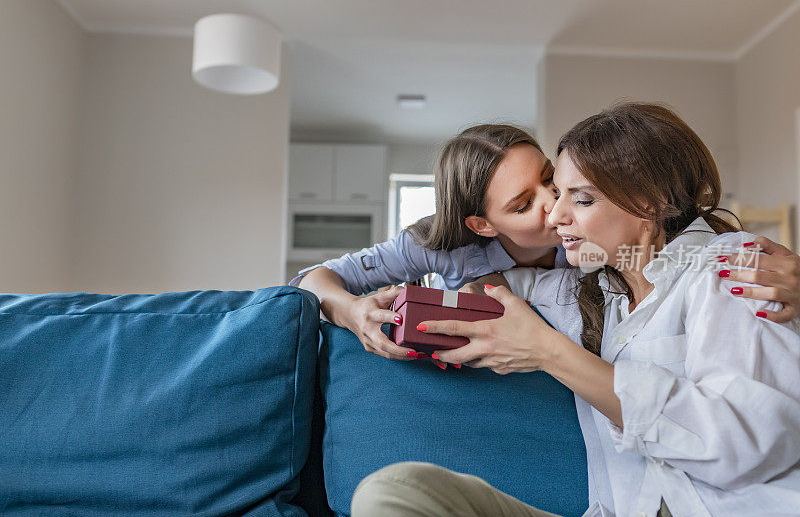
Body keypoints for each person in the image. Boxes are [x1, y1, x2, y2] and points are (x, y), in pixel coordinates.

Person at [350, 103, 800, 517]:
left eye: (580, 199)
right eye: (556, 192)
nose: (556, 214)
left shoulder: (735, 270)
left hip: (728, 512)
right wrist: (374, 307)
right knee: (394, 493)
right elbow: (495, 284)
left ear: (651, 202)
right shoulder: (591, 286)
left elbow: (744, 444)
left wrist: (550, 353)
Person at [295, 125, 800, 368]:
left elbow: (664, 254)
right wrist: (352, 311)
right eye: (523, 205)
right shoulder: (435, 245)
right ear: (483, 224)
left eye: (549, 180)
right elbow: (311, 279)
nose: (554, 206)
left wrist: (756, 263)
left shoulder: (593, 238)